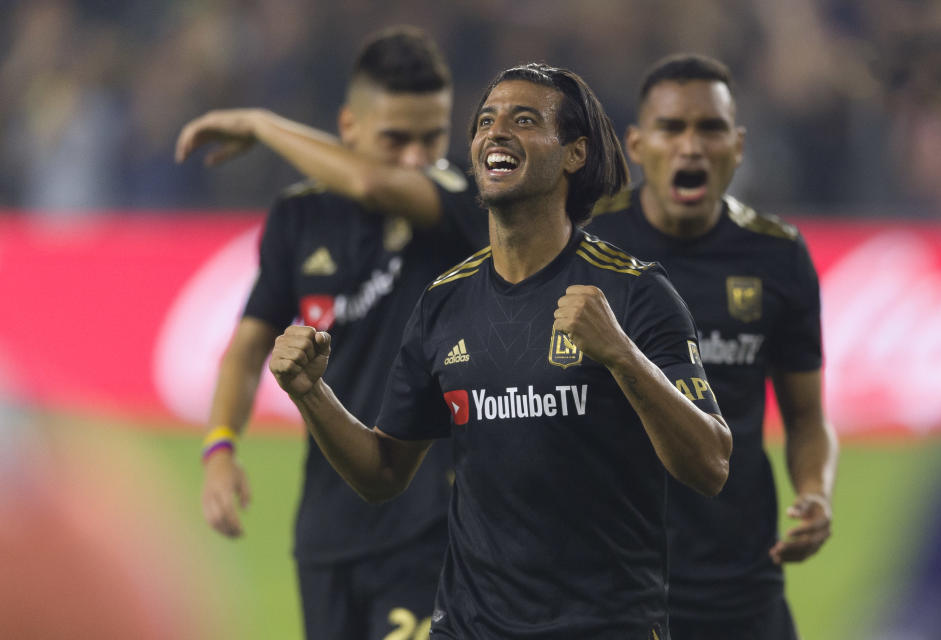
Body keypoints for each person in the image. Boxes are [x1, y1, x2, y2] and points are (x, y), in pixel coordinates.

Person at [269, 62, 733, 639]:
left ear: (574, 154)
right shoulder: (444, 302)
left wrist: (621, 355)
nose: (496, 132)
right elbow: (383, 473)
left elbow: (711, 464)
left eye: (525, 120)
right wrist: (312, 394)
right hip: (470, 628)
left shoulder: (635, 292)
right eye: (485, 121)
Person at [177, 27, 485, 640]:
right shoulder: (300, 216)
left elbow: (373, 183)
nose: (417, 156)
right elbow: (245, 350)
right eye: (395, 138)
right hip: (327, 534)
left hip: (429, 526)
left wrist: (263, 125)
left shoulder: (462, 199)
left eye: (433, 136)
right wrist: (219, 449)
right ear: (349, 127)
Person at [587, 54, 839, 639]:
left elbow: (805, 417)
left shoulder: (778, 256)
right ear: (637, 143)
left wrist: (815, 495)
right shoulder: (589, 244)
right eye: (672, 128)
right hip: (616, 585)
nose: (691, 146)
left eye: (711, 128)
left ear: (739, 144)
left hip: (741, 583)